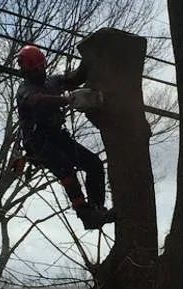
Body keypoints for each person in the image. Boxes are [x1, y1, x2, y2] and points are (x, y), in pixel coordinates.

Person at [12, 44, 116, 230]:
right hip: (37, 141)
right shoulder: (25, 90)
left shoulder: (52, 82)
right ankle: (85, 214)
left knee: (94, 164)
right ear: (26, 71)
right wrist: (67, 100)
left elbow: (75, 78)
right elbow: (36, 100)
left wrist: (90, 59)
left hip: (57, 135)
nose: (38, 72)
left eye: (40, 68)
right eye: (34, 70)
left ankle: (97, 208)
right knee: (65, 168)